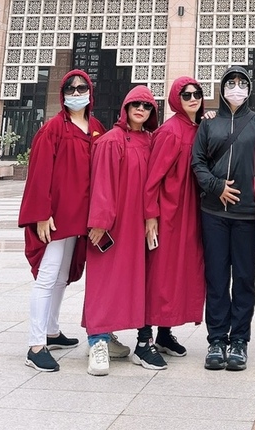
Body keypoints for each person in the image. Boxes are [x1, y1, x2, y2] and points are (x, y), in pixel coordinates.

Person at [191, 65, 255, 372]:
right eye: (231, 82)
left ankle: (240, 340)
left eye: (242, 82)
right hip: (213, 213)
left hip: (247, 214)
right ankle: (217, 340)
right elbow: (198, 162)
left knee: (244, 278)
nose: (237, 87)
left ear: (250, 88)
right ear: (222, 86)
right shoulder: (209, 124)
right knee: (217, 278)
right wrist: (216, 188)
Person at [18, 69, 106, 373]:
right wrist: (41, 214)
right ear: (63, 92)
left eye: (83, 87)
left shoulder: (95, 128)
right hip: (55, 220)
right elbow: (39, 174)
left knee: (61, 277)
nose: (77, 92)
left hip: (80, 219)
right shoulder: (53, 129)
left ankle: (52, 332)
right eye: (72, 87)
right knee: (47, 276)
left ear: (90, 92)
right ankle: (35, 345)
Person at [82, 84, 160, 376]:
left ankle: (109, 335)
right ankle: (97, 341)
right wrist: (100, 222)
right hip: (112, 226)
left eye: (147, 106)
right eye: (135, 105)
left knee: (130, 283)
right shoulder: (111, 141)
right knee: (104, 282)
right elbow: (102, 184)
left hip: (138, 225)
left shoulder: (150, 141)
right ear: (125, 108)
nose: (141, 110)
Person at [143, 75, 206, 358]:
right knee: (159, 274)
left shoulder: (198, 128)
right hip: (169, 213)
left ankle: (164, 334)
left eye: (197, 93)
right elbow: (152, 178)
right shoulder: (170, 131)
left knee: (179, 274)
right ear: (175, 100)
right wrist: (151, 216)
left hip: (191, 214)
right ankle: (144, 338)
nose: (193, 98)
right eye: (186, 95)